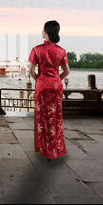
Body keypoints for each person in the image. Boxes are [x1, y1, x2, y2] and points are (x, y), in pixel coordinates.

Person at [28, 20, 70, 159]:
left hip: (42, 86)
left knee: (42, 118)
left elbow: (31, 70)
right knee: (56, 117)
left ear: (46, 32)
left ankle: (43, 148)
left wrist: (39, 80)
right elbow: (67, 71)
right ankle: (56, 149)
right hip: (56, 86)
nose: (41, 31)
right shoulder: (61, 51)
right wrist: (57, 78)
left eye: (42, 29)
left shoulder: (36, 49)